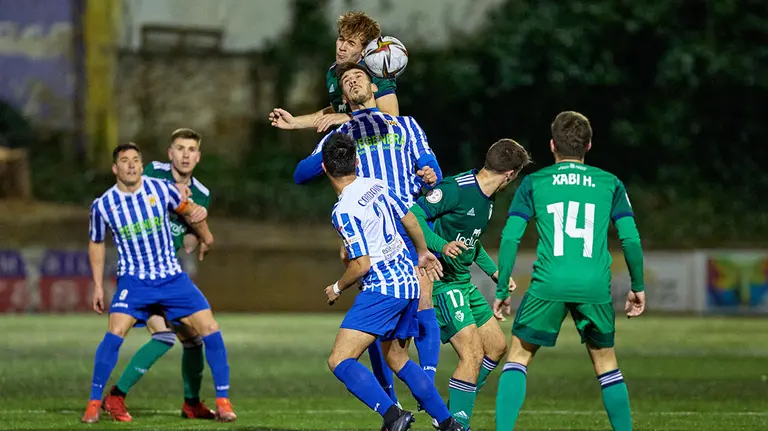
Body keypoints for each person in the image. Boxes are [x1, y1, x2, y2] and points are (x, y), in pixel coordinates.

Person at [293, 61, 444, 406]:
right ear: (343, 96)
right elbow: (301, 174)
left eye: (360, 76)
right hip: (373, 233)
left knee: (423, 301)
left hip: (410, 225)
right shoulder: (339, 135)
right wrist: (336, 143)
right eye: (347, 80)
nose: (354, 81)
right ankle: (395, 403)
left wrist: (430, 172)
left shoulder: (405, 125)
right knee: (379, 328)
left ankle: (429, 386)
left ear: (375, 88)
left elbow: (430, 164)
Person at [493, 111, 646, 431]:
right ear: (588, 145)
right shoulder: (610, 183)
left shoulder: (534, 182)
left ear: (552, 145)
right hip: (593, 285)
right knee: (606, 363)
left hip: (549, 283)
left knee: (518, 357)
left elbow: (510, 236)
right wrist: (638, 285)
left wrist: (501, 289)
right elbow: (630, 239)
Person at [81, 143, 236, 423]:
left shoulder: (160, 189)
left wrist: (206, 235)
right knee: (116, 333)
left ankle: (220, 401)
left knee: (207, 330)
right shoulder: (103, 204)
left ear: (142, 165)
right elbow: (96, 244)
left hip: (171, 278)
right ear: (115, 168)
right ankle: (95, 402)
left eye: (136, 160)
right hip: (135, 281)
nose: (131, 165)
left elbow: (190, 211)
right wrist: (96, 285)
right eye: (125, 161)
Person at [320, 132, 464, 431]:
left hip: (383, 289)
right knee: (397, 358)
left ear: (324, 168)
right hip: (409, 282)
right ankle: (448, 423)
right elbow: (410, 218)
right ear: (357, 161)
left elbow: (360, 264)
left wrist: (337, 287)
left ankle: (393, 416)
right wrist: (423, 252)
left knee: (340, 360)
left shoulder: (343, 210)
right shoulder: (376, 185)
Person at [410, 139, 532, 428]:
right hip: (444, 284)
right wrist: (440, 245)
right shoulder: (456, 189)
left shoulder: (486, 200)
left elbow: (471, 243)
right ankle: (456, 424)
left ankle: (450, 414)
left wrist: (495, 273)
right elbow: (413, 215)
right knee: (472, 354)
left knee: (497, 346)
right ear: (510, 175)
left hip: (463, 283)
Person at [269, 10, 399, 133]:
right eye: (341, 39)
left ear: (365, 50)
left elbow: (392, 118)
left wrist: (349, 117)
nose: (342, 47)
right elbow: (336, 112)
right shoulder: (333, 73)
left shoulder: (377, 72)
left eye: (351, 43)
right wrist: (295, 122)